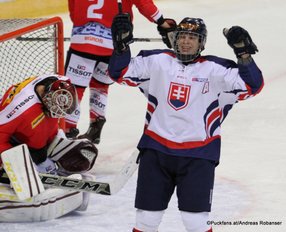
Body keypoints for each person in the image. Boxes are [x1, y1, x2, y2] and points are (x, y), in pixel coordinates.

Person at [108, 15, 264, 232]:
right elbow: (119, 72)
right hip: (156, 150)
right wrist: (121, 46)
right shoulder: (157, 61)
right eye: (182, 36)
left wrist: (243, 54)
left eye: (193, 37)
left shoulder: (216, 69)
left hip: (198, 155)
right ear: (175, 39)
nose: (186, 42)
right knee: (146, 220)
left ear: (202, 43)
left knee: (195, 222)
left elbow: (252, 86)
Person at [64, 0, 176, 144]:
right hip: (112, 42)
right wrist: (161, 21)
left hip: (82, 41)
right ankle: (96, 124)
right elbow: (144, 4)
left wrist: (83, 24)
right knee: (100, 85)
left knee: (74, 89)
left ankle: (68, 131)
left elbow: (73, 9)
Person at [0, 74, 98, 221]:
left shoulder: (57, 82)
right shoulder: (19, 108)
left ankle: (48, 165)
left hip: (36, 141)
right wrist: (7, 164)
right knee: (28, 184)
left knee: (81, 153)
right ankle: (24, 174)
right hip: (16, 145)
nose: (57, 115)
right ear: (46, 97)